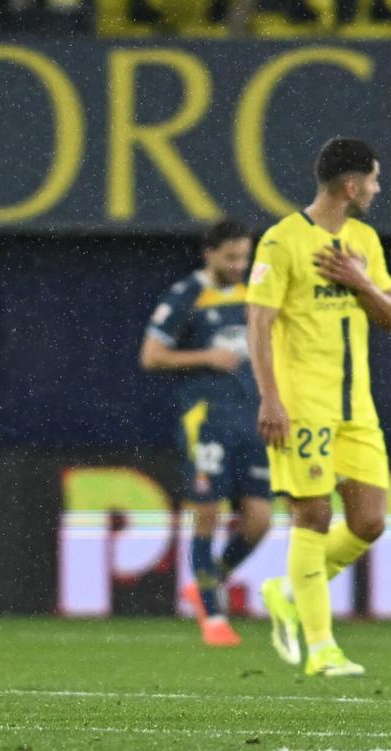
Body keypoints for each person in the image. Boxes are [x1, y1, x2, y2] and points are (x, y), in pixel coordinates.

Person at [246, 137, 391, 677]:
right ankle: (321, 648)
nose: (378, 190)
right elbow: (259, 324)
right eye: (375, 180)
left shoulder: (363, 240)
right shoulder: (281, 241)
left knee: (370, 522)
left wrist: (358, 279)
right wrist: (270, 396)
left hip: (356, 406)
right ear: (352, 185)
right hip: (302, 404)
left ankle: (289, 591)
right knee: (312, 516)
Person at [140, 219, 274, 647]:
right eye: (231, 257)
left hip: (252, 420)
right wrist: (207, 357)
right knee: (208, 512)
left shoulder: (256, 293)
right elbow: (151, 356)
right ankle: (213, 617)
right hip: (207, 420)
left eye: (244, 256)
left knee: (260, 520)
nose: (239, 264)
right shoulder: (186, 295)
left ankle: (207, 582)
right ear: (209, 254)